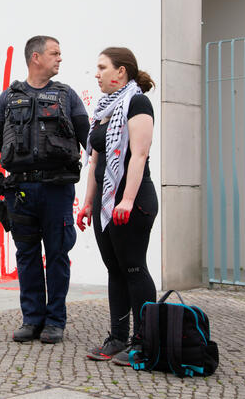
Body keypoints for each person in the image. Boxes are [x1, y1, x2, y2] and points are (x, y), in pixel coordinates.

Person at [0, 35, 89, 344]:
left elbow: (88, 138)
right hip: (21, 189)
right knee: (26, 256)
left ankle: (55, 321)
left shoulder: (67, 96)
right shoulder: (7, 98)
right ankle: (32, 319)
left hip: (57, 189)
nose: (60, 59)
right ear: (36, 58)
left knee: (56, 255)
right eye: (55, 53)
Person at [76, 46, 158, 366]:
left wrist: (126, 199)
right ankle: (117, 338)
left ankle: (144, 342)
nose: (96, 74)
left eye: (102, 67)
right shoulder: (104, 109)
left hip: (132, 201)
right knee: (115, 269)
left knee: (134, 268)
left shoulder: (137, 102)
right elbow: (96, 159)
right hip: (106, 203)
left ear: (120, 71)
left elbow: (138, 154)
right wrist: (87, 203)